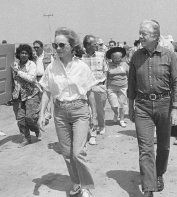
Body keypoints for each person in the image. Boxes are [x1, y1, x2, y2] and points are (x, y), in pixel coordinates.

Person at [38, 27, 98, 197]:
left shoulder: (82, 67)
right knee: (67, 153)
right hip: (60, 112)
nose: (57, 49)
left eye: (61, 45)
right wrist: (42, 114)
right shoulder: (51, 68)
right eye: (55, 45)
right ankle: (77, 183)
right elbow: (47, 92)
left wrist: (94, 115)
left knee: (78, 153)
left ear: (72, 46)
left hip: (79, 110)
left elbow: (90, 91)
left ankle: (86, 186)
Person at [128, 20, 177, 197]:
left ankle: (159, 173)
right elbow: (131, 84)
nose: (140, 37)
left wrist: (175, 107)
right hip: (142, 106)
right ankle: (149, 188)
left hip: (164, 105)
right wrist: (130, 107)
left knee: (164, 146)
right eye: (140, 33)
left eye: (144, 33)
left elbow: (176, 82)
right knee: (145, 148)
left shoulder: (169, 55)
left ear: (155, 36)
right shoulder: (136, 57)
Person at [11, 44, 41, 147]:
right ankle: (26, 139)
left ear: (29, 55)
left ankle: (37, 128)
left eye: (26, 53)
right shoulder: (15, 64)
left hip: (31, 94)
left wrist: (18, 73)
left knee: (31, 117)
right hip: (18, 95)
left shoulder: (31, 64)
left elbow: (32, 79)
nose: (24, 55)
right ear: (18, 54)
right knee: (20, 119)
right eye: (22, 53)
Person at [82, 35, 108, 144]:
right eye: (94, 44)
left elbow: (105, 70)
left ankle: (101, 125)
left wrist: (105, 86)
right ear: (87, 45)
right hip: (86, 88)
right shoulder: (80, 58)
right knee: (89, 111)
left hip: (99, 86)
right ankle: (92, 134)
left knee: (99, 110)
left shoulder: (101, 56)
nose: (96, 45)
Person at [106, 47, 129, 128]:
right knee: (114, 105)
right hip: (111, 87)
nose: (118, 59)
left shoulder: (125, 64)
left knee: (123, 104)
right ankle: (116, 113)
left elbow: (128, 74)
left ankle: (122, 119)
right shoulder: (108, 65)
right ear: (111, 58)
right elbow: (105, 77)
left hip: (123, 86)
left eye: (119, 58)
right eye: (116, 58)